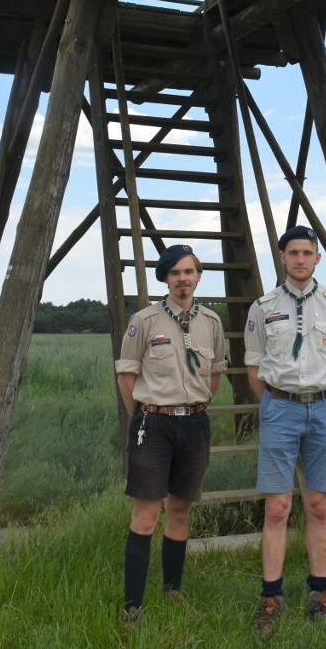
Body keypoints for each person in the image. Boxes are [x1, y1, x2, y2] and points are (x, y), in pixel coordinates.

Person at [244, 225, 326, 637]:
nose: (300, 259)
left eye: (307, 253)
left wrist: (321, 399)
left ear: (317, 258)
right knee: (277, 508)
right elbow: (254, 366)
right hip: (281, 410)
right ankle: (270, 597)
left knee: (319, 506)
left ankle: (320, 592)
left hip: (324, 410)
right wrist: (278, 403)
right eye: (292, 253)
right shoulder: (262, 306)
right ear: (282, 257)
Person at [115, 244, 227, 623]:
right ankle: (133, 605)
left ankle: (172, 590)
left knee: (179, 510)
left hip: (194, 424)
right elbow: (126, 376)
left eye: (189, 272)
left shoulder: (211, 322)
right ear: (165, 277)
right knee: (146, 515)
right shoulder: (144, 321)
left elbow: (215, 374)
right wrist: (145, 418)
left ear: (198, 276)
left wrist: (194, 406)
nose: (183, 278)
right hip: (153, 425)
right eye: (176, 272)